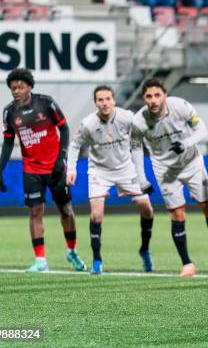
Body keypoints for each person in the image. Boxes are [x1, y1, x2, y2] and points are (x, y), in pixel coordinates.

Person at [131, 78, 208, 276]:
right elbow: (136, 148)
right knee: (177, 213)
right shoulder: (139, 121)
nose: (153, 100)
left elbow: (202, 130)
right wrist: (141, 179)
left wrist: (186, 143)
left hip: (192, 163)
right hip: (165, 170)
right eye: (149, 96)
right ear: (144, 98)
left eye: (157, 95)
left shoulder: (180, 106)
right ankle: (187, 263)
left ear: (165, 95)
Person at [0, 68, 85, 273]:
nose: (16, 91)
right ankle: (40, 260)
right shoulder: (9, 112)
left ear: (30, 86)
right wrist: (0, 170)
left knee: (65, 209)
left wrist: (61, 158)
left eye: (20, 86)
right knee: (35, 211)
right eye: (13, 88)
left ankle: (71, 250)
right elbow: (8, 142)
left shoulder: (46, 103)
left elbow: (64, 128)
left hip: (55, 167)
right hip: (31, 169)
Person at [66, 86, 155, 275]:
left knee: (147, 210)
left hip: (125, 169)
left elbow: (143, 134)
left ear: (114, 100)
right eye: (100, 100)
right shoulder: (88, 123)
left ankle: (144, 250)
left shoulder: (127, 117)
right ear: (96, 103)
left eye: (108, 99)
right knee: (96, 215)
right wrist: (71, 170)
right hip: (99, 171)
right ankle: (97, 260)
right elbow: (74, 145)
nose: (104, 103)